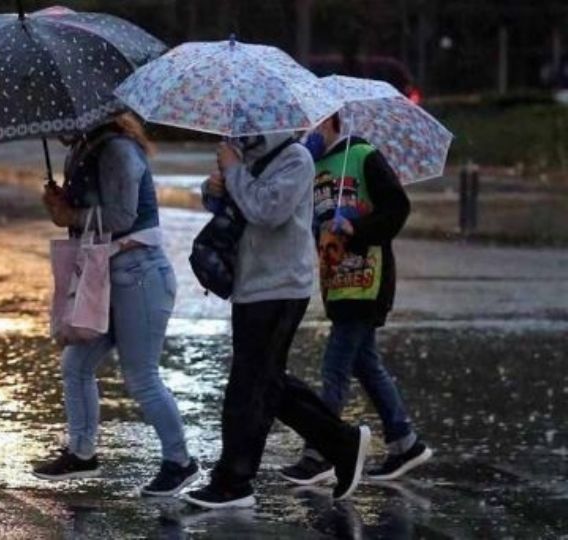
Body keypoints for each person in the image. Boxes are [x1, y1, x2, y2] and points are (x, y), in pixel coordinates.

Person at [181, 133, 371, 510]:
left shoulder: (296, 158)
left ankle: (234, 481)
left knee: (248, 386)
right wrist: (215, 185)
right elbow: (228, 204)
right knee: (265, 382)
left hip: (281, 285)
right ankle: (343, 443)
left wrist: (234, 171)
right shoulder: (246, 153)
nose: (241, 125)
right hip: (250, 282)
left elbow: (267, 210)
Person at [32, 113, 199, 496]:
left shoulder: (117, 149)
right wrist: (64, 204)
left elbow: (122, 215)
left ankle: (180, 462)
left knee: (141, 376)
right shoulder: (87, 146)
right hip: (106, 272)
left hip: (139, 275)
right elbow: (93, 209)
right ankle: (82, 453)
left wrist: (69, 214)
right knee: (75, 365)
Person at [279, 114, 432, 486]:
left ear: (331, 122)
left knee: (335, 367)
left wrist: (356, 227)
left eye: (312, 126)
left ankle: (321, 452)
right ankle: (404, 441)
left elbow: (397, 207)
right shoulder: (310, 166)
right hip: (337, 281)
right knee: (365, 363)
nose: (306, 134)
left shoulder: (364, 156)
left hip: (368, 279)